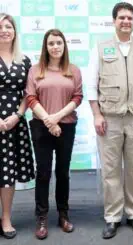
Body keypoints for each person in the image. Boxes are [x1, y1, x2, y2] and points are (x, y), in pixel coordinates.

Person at [87, 2, 133, 239]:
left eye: (130, 18)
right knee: (111, 170)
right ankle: (112, 217)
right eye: (121, 18)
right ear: (114, 21)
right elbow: (90, 85)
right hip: (110, 119)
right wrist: (97, 114)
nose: (126, 21)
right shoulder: (101, 48)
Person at [25, 29, 83, 239]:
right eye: (51, 43)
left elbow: (77, 97)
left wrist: (56, 117)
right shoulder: (35, 70)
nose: (55, 47)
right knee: (43, 173)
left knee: (63, 172)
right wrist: (49, 122)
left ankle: (63, 215)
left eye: (59, 43)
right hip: (41, 126)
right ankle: (41, 218)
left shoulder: (73, 70)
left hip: (66, 125)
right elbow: (31, 99)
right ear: (46, 46)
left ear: (64, 45)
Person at [0, 13, 35, 239]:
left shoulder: (25, 60)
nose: (4, 30)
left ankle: (6, 218)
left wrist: (17, 115)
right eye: (0, 27)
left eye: (8, 26)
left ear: (14, 31)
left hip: (14, 124)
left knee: (7, 173)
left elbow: (28, 93)